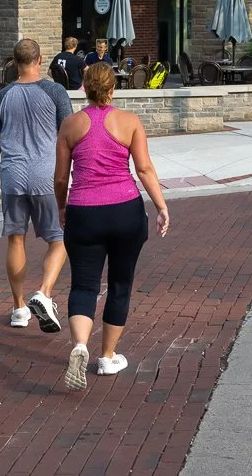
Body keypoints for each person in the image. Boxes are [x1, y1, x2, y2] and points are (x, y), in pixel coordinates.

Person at [53, 62, 170, 390]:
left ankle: (79, 345)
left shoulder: (70, 125)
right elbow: (144, 169)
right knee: (120, 284)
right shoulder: (130, 122)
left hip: (84, 212)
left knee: (83, 285)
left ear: (84, 88)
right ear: (113, 88)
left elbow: (61, 177)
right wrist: (161, 206)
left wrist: (62, 208)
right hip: (124, 211)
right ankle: (107, 356)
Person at [0, 38, 72, 333]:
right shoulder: (55, 91)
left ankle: (19, 308)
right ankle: (43, 293)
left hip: (13, 177)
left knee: (15, 239)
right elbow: (69, 136)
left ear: (14, 61)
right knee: (59, 239)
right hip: (47, 176)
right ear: (40, 59)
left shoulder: (3, 95)